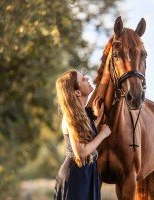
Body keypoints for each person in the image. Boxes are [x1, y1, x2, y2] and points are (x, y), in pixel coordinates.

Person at [54, 70, 111, 200]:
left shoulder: (83, 114)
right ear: (77, 92)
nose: (87, 78)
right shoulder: (71, 117)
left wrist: (98, 119)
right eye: (83, 80)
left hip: (86, 174)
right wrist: (102, 135)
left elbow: (85, 134)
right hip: (75, 178)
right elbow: (81, 152)